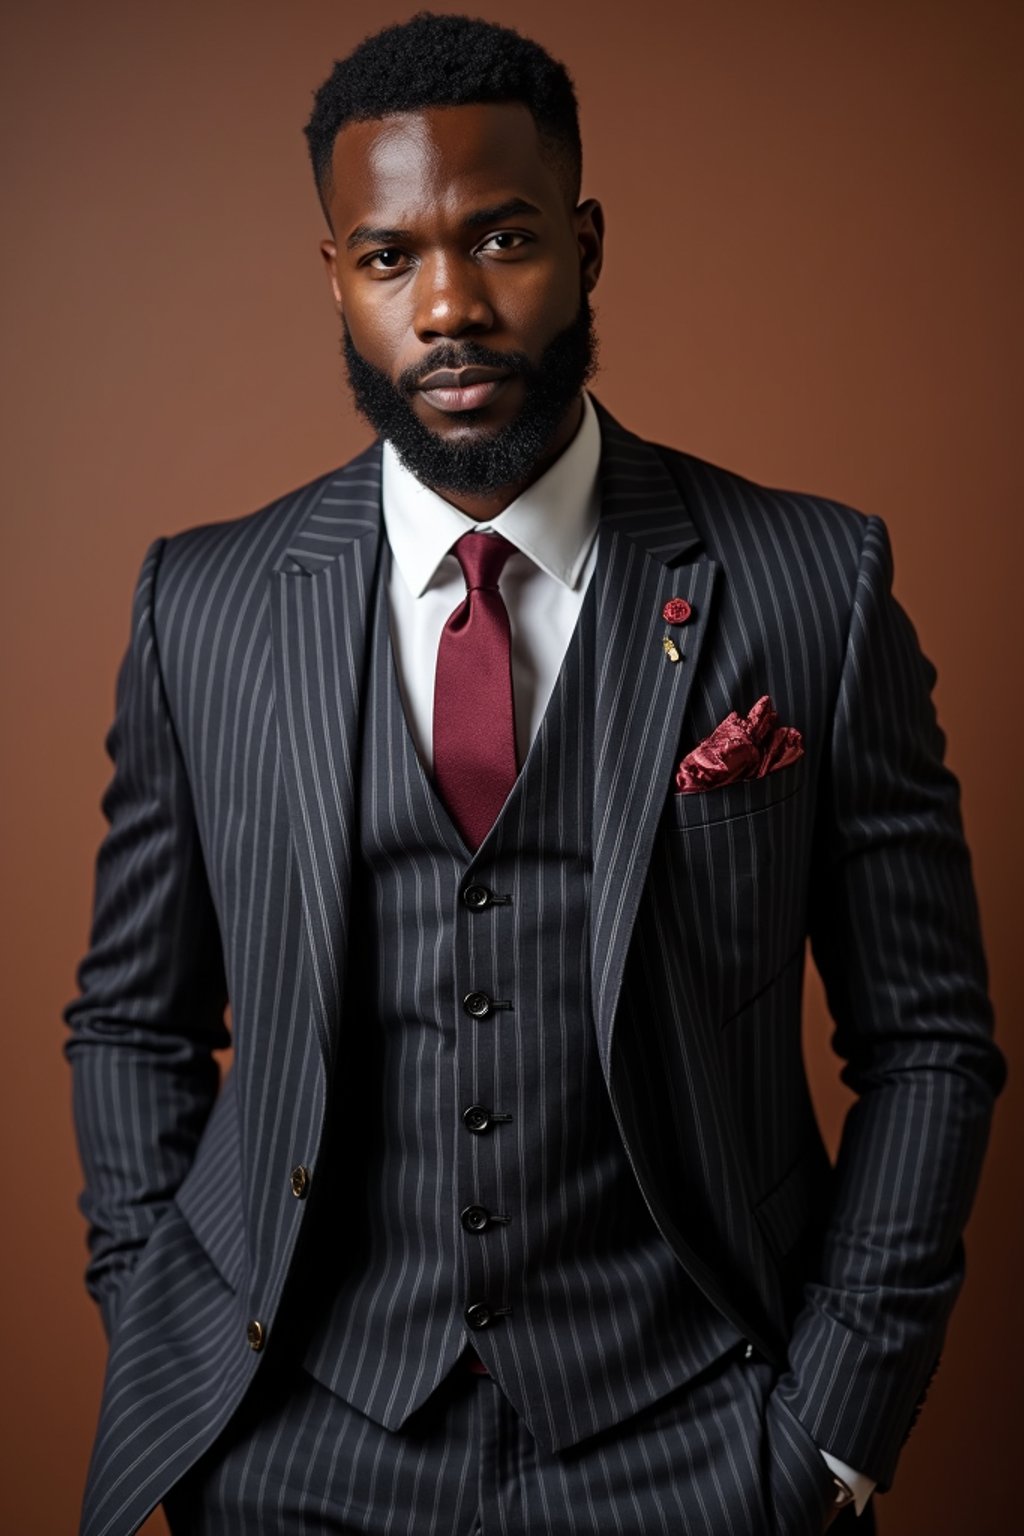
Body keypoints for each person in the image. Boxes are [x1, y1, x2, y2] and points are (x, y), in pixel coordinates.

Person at [64, 12, 1005, 1535]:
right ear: (337, 278)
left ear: (584, 242)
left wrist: (836, 1425)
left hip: (697, 1438)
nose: (448, 305)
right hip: (299, 1447)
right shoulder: (207, 605)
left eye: (499, 237)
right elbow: (130, 1021)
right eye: (388, 259)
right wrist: (169, 1327)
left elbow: (929, 1040)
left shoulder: (808, 581)